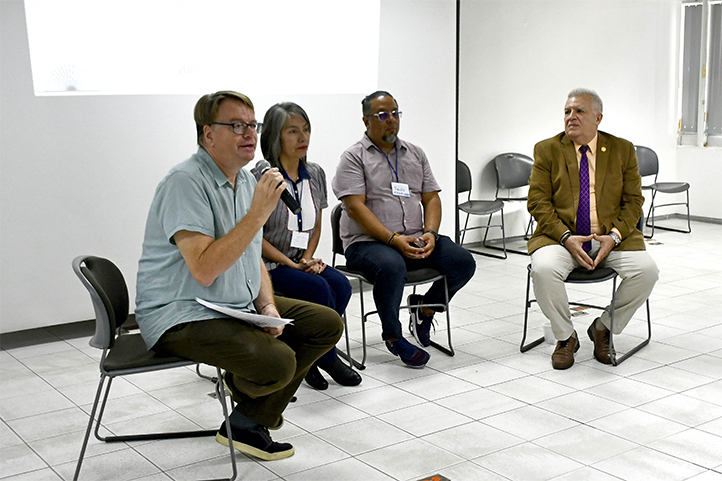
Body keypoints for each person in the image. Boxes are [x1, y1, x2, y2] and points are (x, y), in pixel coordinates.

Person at [134, 91, 343, 460]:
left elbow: (252, 257)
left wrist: (267, 304)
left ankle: (247, 421)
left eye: (252, 124)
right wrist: (257, 216)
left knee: (324, 323)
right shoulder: (185, 182)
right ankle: (245, 386)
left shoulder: (246, 182)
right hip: (181, 313)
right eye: (236, 125)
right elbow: (204, 268)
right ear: (207, 134)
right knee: (278, 362)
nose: (249, 133)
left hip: (233, 302)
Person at [332, 90, 476, 368]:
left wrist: (431, 233)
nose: (391, 120)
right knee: (392, 265)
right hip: (367, 243)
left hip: (415, 236)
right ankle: (394, 337)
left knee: (463, 262)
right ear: (366, 120)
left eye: (395, 113)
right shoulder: (353, 157)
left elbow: (431, 197)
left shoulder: (415, 153)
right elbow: (354, 208)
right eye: (382, 115)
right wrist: (392, 239)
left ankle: (425, 307)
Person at [527, 88, 659, 370]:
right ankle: (565, 337)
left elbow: (634, 201)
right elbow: (538, 202)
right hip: (560, 238)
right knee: (543, 268)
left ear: (598, 118)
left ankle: (603, 327)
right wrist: (565, 237)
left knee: (647, 271)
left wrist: (614, 236)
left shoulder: (622, 149)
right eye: (567, 111)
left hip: (610, 238)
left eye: (579, 111)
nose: (571, 117)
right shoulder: (547, 149)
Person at [250, 102, 361, 390]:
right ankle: (327, 357)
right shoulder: (262, 177)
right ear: (275, 136)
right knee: (319, 289)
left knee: (341, 285)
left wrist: (309, 258)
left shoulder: (315, 174)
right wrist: (292, 264)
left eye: (306, 130)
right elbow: (253, 237)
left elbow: (317, 222)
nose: (303, 138)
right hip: (270, 266)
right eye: (293, 131)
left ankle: (310, 356)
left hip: (301, 260)